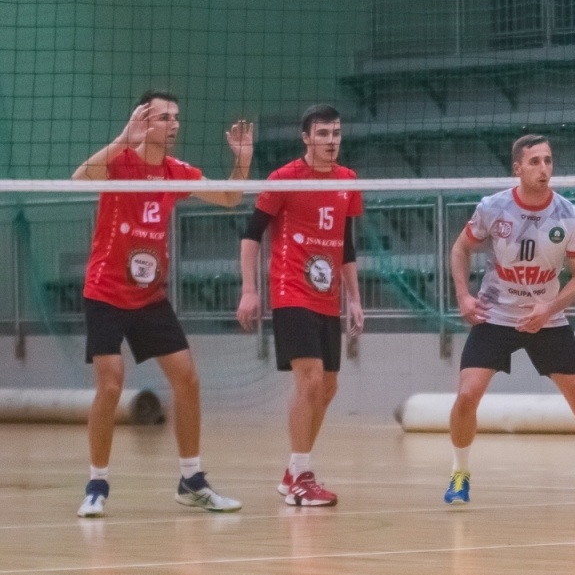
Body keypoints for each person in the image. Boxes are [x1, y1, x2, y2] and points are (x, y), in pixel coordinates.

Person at [72, 92, 253, 518]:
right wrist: (122, 138)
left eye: (176, 117)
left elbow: (229, 199)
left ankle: (191, 481)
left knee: (187, 380)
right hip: (106, 291)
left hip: (150, 297)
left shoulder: (176, 172)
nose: (173, 124)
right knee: (111, 384)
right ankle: (97, 484)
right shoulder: (120, 162)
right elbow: (80, 178)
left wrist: (242, 159)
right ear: (143, 121)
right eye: (163, 117)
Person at [442, 134, 575, 508]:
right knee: (466, 396)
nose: (544, 169)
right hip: (496, 314)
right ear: (518, 168)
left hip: (547, 318)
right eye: (535, 162)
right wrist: (463, 294)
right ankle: (460, 473)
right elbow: (460, 248)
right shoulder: (493, 208)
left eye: (548, 161)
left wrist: (548, 308)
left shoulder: (569, 215)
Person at [237, 104, 364, 507]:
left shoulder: (347, 180)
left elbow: (346, 244)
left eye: (336, 133)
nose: (332, 141)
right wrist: (249, 290)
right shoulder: (284, 179)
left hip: (328, 299)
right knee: (309, 381)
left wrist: (355, 299)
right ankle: (301, 476)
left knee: (328, 385)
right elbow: (251, 233)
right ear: (306, 138)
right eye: (323, 134)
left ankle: (294, 471)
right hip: (291, 291)